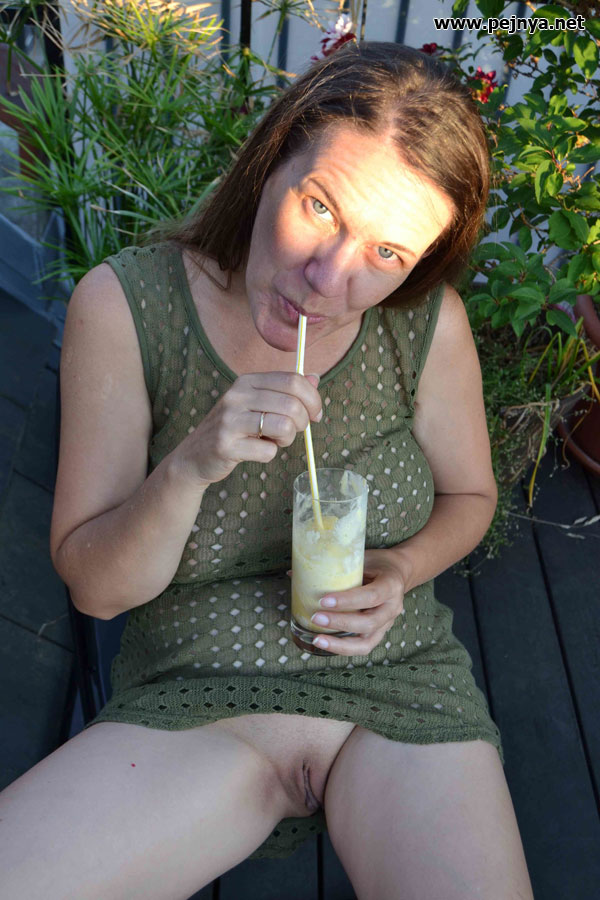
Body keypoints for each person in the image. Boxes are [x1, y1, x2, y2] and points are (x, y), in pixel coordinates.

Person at [0, 41, 534, 899]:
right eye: (320, 206)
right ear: (271, 156)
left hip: (398, 686)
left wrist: (400, 570)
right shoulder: (129, 306)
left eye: (388, 254)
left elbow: (472, 495)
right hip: (200, 696)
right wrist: (191, 464)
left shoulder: (425, 325)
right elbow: (97, 590)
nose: (328, 280)